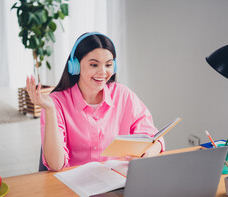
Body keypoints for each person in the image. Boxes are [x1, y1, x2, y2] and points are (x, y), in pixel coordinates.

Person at [26, 32, 164, 172]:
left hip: (116, 182)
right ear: (75, 66)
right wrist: (49, 110)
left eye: (108, 65)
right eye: (94, 65)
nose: (102, 72)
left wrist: (148, 153)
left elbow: (155, 139)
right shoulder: (56, 103)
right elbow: (55, 165)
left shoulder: (123, 95)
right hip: (73, 186)